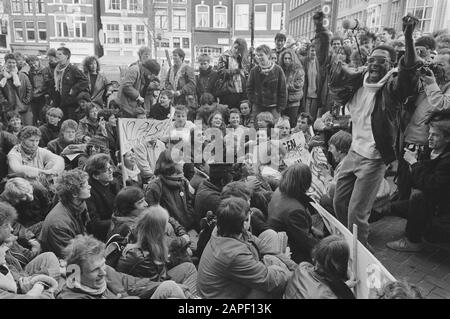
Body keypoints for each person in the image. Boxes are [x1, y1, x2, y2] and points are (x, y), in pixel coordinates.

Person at [323, 13, 421, 248]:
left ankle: (361, 254)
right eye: (374, 59)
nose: (377, 63)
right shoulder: (358, 81)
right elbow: (354, 109)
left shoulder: (392, 88)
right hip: (354, 153)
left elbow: (408, 71)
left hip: (373, 159)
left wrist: (408, 36)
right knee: (338, 201)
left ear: (391, 65)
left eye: (383, 61)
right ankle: (346, 241)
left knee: (357, 213)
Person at [197, 197, 295, 299]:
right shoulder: (232, 254)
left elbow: (265, 248)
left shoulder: (227, 229)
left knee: (273, 260)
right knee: (276, 284)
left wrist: (295, 268)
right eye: (250, 213)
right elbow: (268, 280)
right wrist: (293, 275)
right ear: (244, 223)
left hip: (226, 289)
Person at [387, 111, 450, 252]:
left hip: (442, 210)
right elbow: (417, 181)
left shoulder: (447, 160)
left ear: (447, 139)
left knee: (418, 198)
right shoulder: (431, 151)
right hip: (432, 203)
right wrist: (413, 165)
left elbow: (429, 184)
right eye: (429, 133)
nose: (429, 138)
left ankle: (412, 241)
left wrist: (415, 164)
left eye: (435, 135)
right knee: (389, 207)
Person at [58, 234, 187, 299]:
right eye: (94, 270)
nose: (102, 272)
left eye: (102, 265)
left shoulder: (105, 271)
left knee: (170, 286)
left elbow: (134, 284)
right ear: (77, 273)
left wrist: (163, 286)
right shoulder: (71, 296)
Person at [116, 206, 198, 295]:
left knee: (188, 267)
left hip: (154, 280)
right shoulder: (140, 257)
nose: (168, 226)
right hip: (146, 289)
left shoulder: (141, 234)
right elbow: (154, 286)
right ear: (158, 231)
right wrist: (182, 290)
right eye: (165, 225)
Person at [267, 163, 320, 263]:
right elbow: (306, 242)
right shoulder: (294, 210)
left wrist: (312, 229)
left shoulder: (280, 191)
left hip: (280, 237)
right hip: (290, 251)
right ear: (305, 183)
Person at [39, 169, 91, 258]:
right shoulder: (58, 224)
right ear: (74, 193)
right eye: (86, 186)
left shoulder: (80, 203)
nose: (90, 187)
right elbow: (71, 256)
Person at [284, 236, 356, 299]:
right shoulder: (328, 296)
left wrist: (344, 286)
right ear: (339, 265)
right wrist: (344, 289)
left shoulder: (303, 267)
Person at [144, 150, 196, 234]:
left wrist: (191, 221)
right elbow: (154, 214)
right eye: (180, 160)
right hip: (172, 233)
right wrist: (178, 230)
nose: (183, 163)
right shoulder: (155, 187)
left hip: (189, 228)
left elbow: (189, 203)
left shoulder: (183, 181)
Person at [85, 154, 121, 242]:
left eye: (110, 168)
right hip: (102, 236)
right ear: (95, 176)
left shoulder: (114, 183)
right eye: (106, 170)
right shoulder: (89, 193)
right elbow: (95, 223)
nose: (110, 171)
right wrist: (119, 221)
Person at [247, 44, 287, 123]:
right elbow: (249, 88)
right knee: (257, 129)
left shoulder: (278, 70)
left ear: (268, 55)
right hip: (258, 106)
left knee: (274, 132)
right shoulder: (254, 70)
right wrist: (253, 100)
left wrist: (280, 107)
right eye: (257, 55)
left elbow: (283, 89)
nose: (259, 57)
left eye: (261, 55)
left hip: (274, 107)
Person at [53, 47, 89, 121]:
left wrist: (74, 89)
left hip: (70, 105)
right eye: (56, 54)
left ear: (66, 56)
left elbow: (85, 81)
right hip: (59, 103)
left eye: (60, 54)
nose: (57, 56)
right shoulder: (56, 70)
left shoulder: (73, 69)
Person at [216, 38, 250, 109]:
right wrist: (235, 71)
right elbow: (220, 72)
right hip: (228, 91)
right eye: (235, 48)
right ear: (232, 45)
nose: (236, 51)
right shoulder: (225, 56)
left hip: (241, 90)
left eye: (239, 49)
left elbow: (247, 70)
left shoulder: (242, 58)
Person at [0, 53, 33, 125]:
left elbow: (29, 89)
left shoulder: (23, 76)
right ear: (5, 63)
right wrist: (5, 103)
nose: (11, 65)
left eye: (13, 62)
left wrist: (25, 101)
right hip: (9, 109)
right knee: (11, 128)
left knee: (26, 127)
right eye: (9, 62)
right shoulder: (1, 77)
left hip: (23, 107)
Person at [279, 49, 305, 128]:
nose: (287, 60)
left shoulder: (298, 70)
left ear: (292, 59)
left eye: (289, 58)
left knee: (292, 123)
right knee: (280, 123)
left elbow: (298, 85)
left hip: (293, 101)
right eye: (285, 58)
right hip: (282, 101)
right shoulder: (280, 69)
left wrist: (285, 86)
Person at [27, 55, 48, 126]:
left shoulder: (45, 70)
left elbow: (47, 83)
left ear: (38, 61)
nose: (33, 65)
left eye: (34, 63)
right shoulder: (30, 72)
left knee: (42, 114)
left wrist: (39, 90)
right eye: (30, 64)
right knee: (34, 116)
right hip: (34, 97)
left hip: (43, 96)